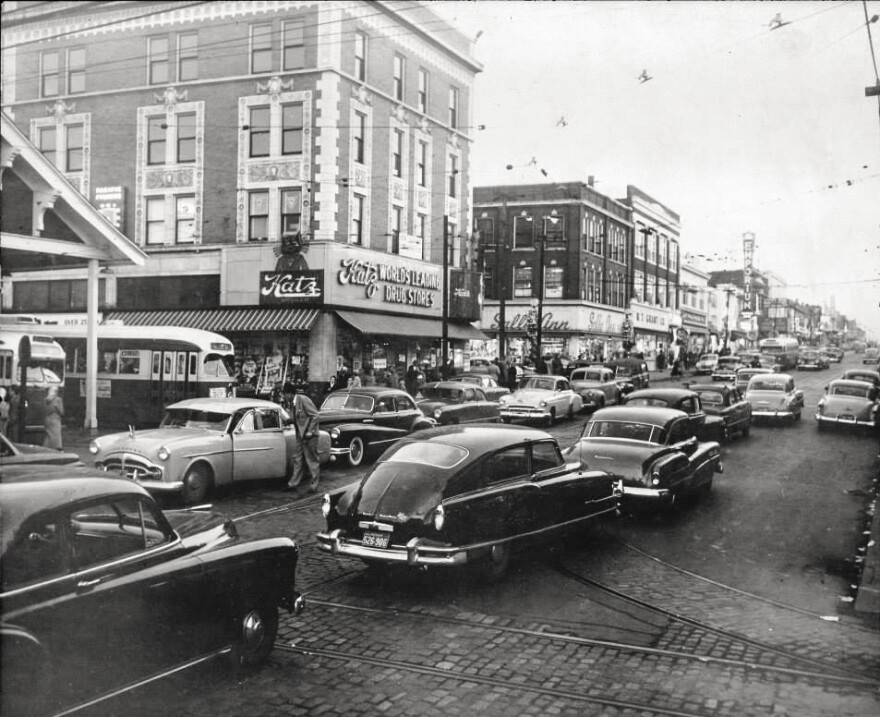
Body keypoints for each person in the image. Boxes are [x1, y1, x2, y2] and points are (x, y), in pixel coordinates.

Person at [286, 389, 321, 492]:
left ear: (289, 393)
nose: (284, 397)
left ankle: (314, 486)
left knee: (312, 460)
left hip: (310, 436)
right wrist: (289, 420)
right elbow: (298, 418)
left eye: (284, 394)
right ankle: (293, 484)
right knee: (298, 459)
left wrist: (310, 431)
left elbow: (315, 415)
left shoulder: (303, 400)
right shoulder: (292, 403)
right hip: (301, 436)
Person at [43, 385, 64, 450]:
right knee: (56, 436)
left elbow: (44, 410)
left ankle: (45, 448)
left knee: (49, 435)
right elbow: (62, 412)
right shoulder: (58, 400)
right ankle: (57, 448)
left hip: (47, 419)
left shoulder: (45, 400)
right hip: (55, 419)